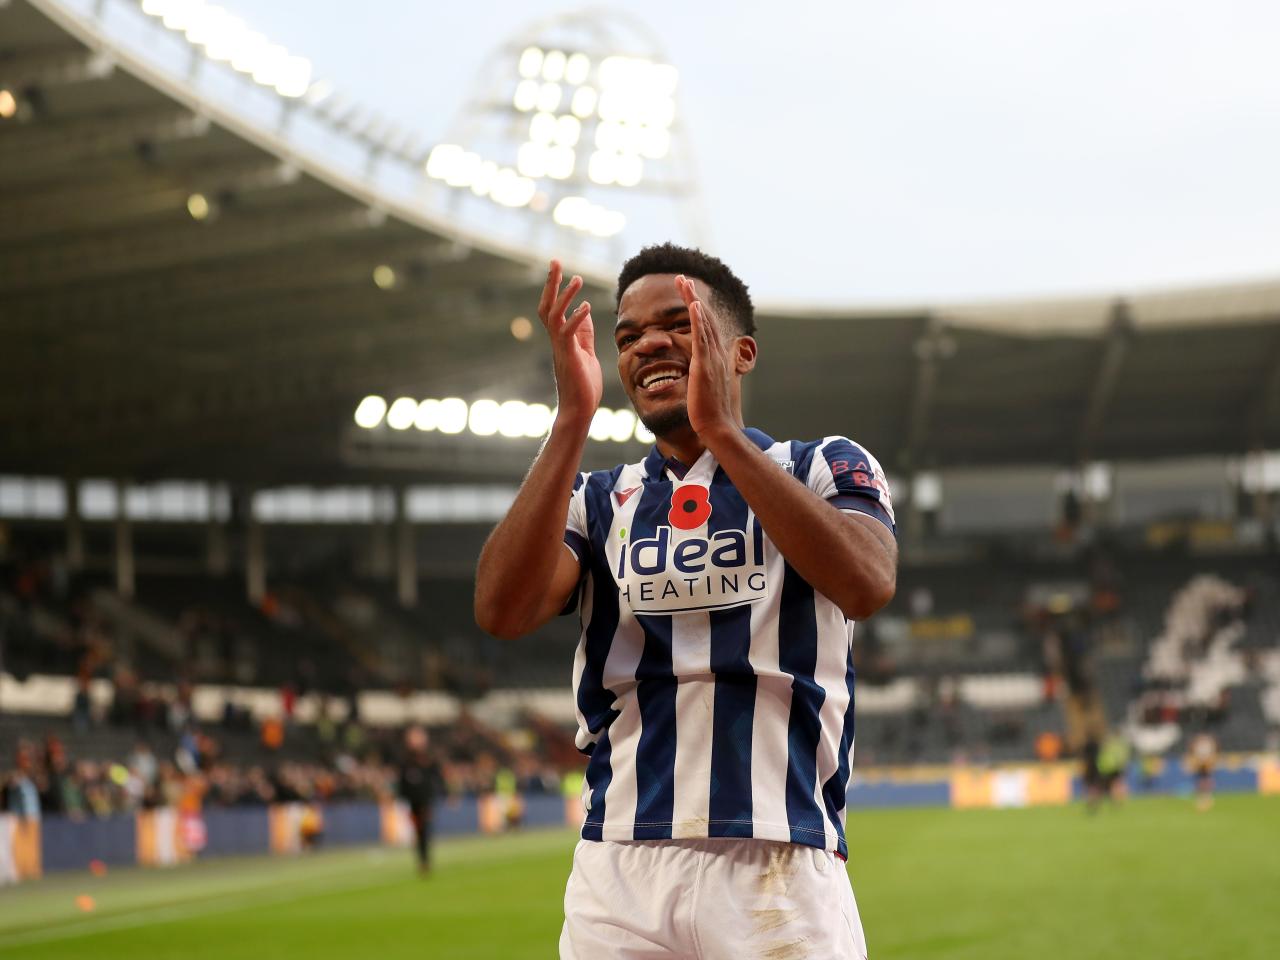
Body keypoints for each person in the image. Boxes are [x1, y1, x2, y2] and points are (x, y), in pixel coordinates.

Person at [475, 245, 898, 958]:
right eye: (627, 337)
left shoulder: (823, 465)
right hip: (619, 867)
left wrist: (722, 433)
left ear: (741, 352)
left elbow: (867, 582)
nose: (648, 345)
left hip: (779, 857)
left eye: (678, 324)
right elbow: (501, 611)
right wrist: (572, 418)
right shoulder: (596, 500)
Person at [398, 726, 445, 874]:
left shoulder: (429, 758)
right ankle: (423, 860)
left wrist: (440, 793)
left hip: (426, 801)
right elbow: (402, 783)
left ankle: (424, 861)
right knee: (418, 831)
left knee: (424, 829)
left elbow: (437, 778)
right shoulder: (406, 760)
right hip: (412, 802)